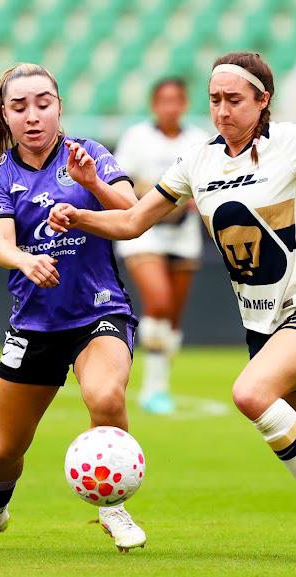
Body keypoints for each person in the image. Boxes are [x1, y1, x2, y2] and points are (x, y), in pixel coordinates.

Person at [49, 52, 296, 556]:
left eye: (234, 100)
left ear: (263, 102)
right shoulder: (199, 160)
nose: (221, 110)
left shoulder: (291, 142)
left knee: (249, 394)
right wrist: (84, 207)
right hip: (263, 328)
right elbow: (133, 223)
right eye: (214, 99)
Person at [0, 63, 147, 552]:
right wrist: (25, 261)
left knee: (107, 397)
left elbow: (131, 211)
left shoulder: (88, 154)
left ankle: (113, 508)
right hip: (35, 323)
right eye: (20, 106)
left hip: (98, 311)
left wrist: (91, 185)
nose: (33, 116)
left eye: (43, 104)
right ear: (5, 115)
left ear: (59, 107)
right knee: (5, 450)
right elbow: (0, 245)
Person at [113, 77, 209, 414]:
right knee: (159, 300)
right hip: (145, 233)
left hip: (184, 236)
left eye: (177, 100)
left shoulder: (199, 140)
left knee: (173, 318)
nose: (170, 106)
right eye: (163, 100)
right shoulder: (137, 138)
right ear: (154, 104)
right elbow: (120, 183)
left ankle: (160, 384)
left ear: (184, 104)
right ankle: (151, 390)